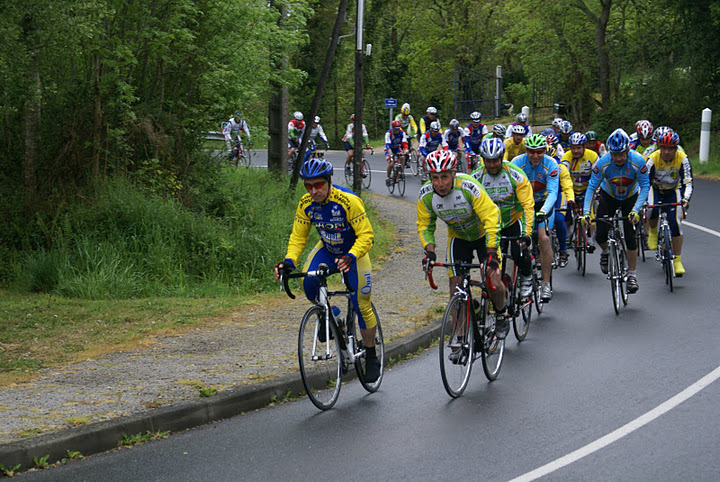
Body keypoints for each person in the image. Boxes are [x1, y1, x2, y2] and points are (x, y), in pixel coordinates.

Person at [274, 157, 381, 382]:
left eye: (318, 185)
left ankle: (371, 355)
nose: (313, 191)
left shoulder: (348, 201)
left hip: (354, 253)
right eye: (308, 186)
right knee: (308, 282)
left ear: (329, 181)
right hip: (328, 249)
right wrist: (288, 262)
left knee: (362, 302)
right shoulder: (306, 204)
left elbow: (366, 235)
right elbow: (298, 236)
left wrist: (352, 256)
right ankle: (332, 315)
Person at [417, 150, 508, 339]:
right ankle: (460, 337)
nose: (440, 184)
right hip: (458, 238)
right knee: (455, 287)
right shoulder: (426, 195)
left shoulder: (468, 187)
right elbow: (425, 226)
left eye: (444, 177)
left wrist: (491, 253)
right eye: (435, 178)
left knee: (492, 279)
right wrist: (430, 252)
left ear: (453, 174)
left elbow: (492, 217)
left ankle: (501, 313)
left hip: (483, 235)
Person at [582, 128, 650, 293]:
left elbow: (645, 186)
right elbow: (591, 188)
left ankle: (632, 275)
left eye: (622, 154)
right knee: (600, 234)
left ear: (628, 150)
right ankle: (606, 252)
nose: (618, 158)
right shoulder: (602, 163)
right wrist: (586, 213)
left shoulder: (638, 161)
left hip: (630, 198)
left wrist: (635, 210)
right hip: (609, 195)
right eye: (615, 154)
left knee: (630, 236)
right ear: (609, 152)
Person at [472, 138, 535, 298]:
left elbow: (528, 206)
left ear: (502, 158)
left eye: (495, 161)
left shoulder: (515, 175)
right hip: (492, 226)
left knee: (518, 251)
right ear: (483, 159)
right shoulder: (477, 177)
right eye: (488, 161)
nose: (492, 165)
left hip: (513, 220)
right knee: (489, 262)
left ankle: (527, 276)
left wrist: (527, 234)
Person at [512, 133, 560, 301]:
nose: (535, 155)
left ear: (544, 151)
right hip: (523, 206)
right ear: (526, 150)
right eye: (531, 151)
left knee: (543, 238)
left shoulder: (551, 164)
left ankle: (546, 284)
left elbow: (553, 192)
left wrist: (543, 211)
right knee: (518, 240)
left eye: (539, 152)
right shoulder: (517, 163)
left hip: (542, 205)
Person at [645, 131, 693, 275]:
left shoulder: (682, 159)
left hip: (673, 190)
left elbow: (688, 182)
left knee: (675, 223)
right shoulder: (652, 159)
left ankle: (677, 260)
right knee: (651, 210)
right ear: (659, 147)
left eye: (670, 149)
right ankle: (653, 232)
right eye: (663, 148)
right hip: (655, 188)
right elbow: (644, 183)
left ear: (675, 148)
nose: (666, 152)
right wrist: (644, 202)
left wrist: (685, 200)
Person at [562, 132, 599, 253]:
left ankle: (589, 237)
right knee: (565, 213)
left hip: (586, 190)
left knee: (590, 216)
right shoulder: (566, 157)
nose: (576, 151)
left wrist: (597, 189)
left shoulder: (592, 156)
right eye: (573, 148)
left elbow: (597, 175)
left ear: (584, 147)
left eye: (578, 148)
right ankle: (568, 234)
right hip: (571, 189)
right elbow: (563, 173)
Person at [553, 135, 579, 267]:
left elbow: (567, 185)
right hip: (540, 196)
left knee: (558, 219)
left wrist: (570, 199)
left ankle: (563, 250)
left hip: (558, 194)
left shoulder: (560, 166)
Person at [384, 119, 410, 186]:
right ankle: (388, 177)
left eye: (398, 128)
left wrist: (406, 150)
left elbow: (404, 143)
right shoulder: (388, 133)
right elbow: (388, 145)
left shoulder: (402, 133)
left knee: (402, 157)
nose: (397, 130)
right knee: (391, 163)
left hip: (397, 148)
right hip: (389, 149)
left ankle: (401, 172)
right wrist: (390, 154)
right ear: (392, 128)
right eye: (396, 128)